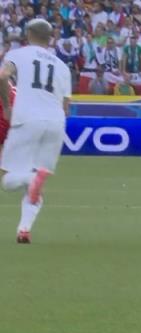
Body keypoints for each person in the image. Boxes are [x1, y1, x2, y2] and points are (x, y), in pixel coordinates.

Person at [0, 19, 72, 244]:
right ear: (50, 38)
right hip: (56, 123)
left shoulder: (19, 54)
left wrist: (7, 106)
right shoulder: (62, 66)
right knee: (34, 186)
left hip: (27, 119)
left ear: (28, 34)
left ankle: (32, 177)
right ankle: (24, 229)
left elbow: (3, 76)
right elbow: (66, 107)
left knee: (8, 179)